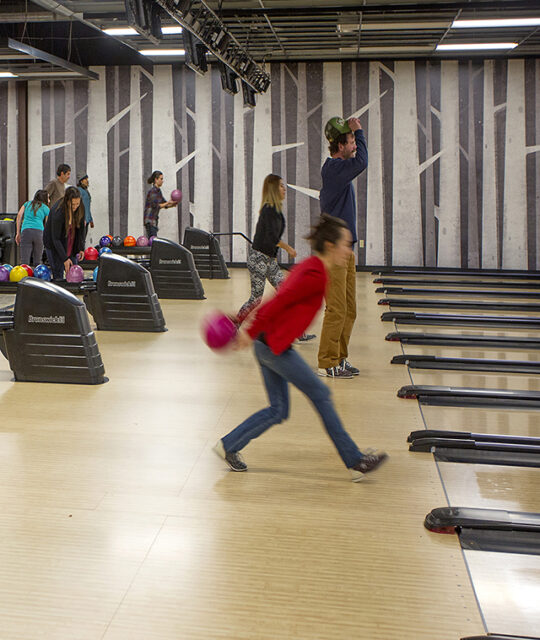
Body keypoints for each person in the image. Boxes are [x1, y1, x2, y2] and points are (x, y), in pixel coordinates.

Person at [214, 214, 387, 482]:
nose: (349, 251)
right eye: (346, 244)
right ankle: (355, 461)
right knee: (320, 394)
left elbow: (281, 303)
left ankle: (229, 445)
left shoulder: (315, 269)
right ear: (330, 246)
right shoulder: (314, 272)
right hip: (273, 347)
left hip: (269, 344)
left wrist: (249, 328)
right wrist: (249, 331)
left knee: (278, 410)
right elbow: (279, 300)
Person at [316, 116, 368, 379]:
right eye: (350, 142)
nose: (354, 145)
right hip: (333, 251)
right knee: (336, 308)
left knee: (349, 308)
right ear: (339, 146)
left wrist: (355, 134)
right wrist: (359, 131)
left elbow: (358, 160)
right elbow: (362, 162)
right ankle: (327, 362)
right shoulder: (334, 170)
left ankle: (341, 358)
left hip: (345, 249)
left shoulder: (340, 170)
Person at [238, 173, 315, 342]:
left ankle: (297, 332)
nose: (284, 189)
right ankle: (235, 325)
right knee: (256, 299)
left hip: (269, 260)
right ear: (273, 188)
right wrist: (289, 249)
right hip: (258, 259)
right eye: (281, 185)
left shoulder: (277, 212)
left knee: (286, 293)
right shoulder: (269, 210)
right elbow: (272, 237)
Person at [43, 186, 85, 279]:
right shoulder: (58, 212)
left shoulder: (80, 207)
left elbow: (81, 229)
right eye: (72, 204)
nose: (75, 207)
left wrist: (81, 247)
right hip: (54, 244)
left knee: (73, 268)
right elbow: (56, 238)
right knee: (58, 271)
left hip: (70, 239)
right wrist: (65, 258)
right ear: (67, 201)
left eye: (77, 204)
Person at [15, 190, 50, 266]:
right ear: (44, 198)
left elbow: (19, 215)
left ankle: (24, 277)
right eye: (48, 198)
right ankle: (36, 277)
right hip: (39, 233)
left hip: (26, 231)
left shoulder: (27, 204)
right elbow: (48, 224)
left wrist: (18, 233)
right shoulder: (46, 208)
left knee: (24, 261)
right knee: (37, 261)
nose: (49, 200)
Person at [143, 170, 176, 238]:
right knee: (153, 240)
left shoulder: (158, 191)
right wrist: (168, 203)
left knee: (153, 240)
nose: (162, 181)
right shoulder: (152, 191)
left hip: (154, 220)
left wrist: (172, 204)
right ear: (156, 179)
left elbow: (164, 204)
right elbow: (155, 206)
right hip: (150, 220)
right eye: (161, 179)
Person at [77, 173, 94, 238]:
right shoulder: (79, 191)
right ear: (81, 181)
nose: (87, 181)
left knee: (83, 238)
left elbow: (87, 207)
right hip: (81, 220)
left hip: (86, 219)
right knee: (80, 239)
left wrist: (90, 219)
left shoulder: (85, 191)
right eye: (85, 179)